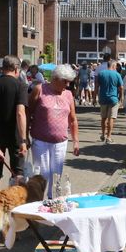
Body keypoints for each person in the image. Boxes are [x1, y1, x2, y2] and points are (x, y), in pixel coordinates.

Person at [28, 65, 80, 197]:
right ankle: (38, 201)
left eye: (69, 81)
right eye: (65, 81)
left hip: (60, 142)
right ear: (55, 79)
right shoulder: (39, 89)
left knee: (57, 175)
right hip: (40, 140)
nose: (67, 85)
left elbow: (72, 119)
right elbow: (28, 113)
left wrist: (76, 142)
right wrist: (24, 137)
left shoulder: (68, 94)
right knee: (42, 174)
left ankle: (53, 201)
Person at [0, 56, 28, 196]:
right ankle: (16, 201)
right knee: (17, 171)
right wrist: (23, 140)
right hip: (15, 134)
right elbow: (20, 113)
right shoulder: (20, 86)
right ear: (16, 69)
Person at [95, 60, 123, 143]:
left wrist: (94, 98)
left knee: (103, 118)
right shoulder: (117, 74)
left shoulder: (101, 73)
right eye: (116, 66)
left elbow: (96, 86)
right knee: (111, 118)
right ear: (114, 66)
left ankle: (103, 135)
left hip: (103, 98)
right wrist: (121, 98)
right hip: (113, 99)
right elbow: (121, 88)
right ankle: (109, 137)